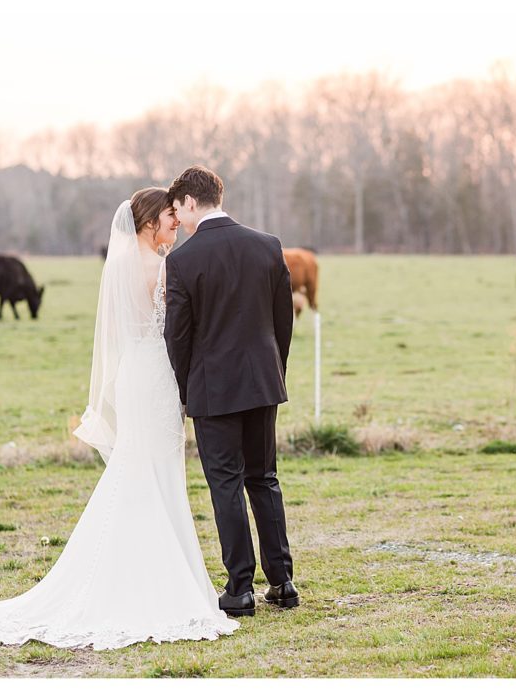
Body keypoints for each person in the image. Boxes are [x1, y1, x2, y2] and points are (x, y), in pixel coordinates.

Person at [0, 188, 240, 650]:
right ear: (151, 221)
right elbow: (179, 327)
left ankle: (138, 567)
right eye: (171, 216)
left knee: (139, 468)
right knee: (155, 471)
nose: (176, 223)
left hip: (135, 373)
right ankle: (157, 579)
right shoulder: (163, 266)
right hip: (156, 378)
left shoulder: (120, 265)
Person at [165, 165, 298, 616]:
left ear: (189, 202)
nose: (177, 220)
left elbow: (177, 336)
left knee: (225, 485)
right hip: (263, 383)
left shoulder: (183, 261)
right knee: (264, 479)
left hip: (213, 390)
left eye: (178, 209)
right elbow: (284, 321)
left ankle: (240, 588)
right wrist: (273, 369)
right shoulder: (268, 246)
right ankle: (282, 582)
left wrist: (185, 389)